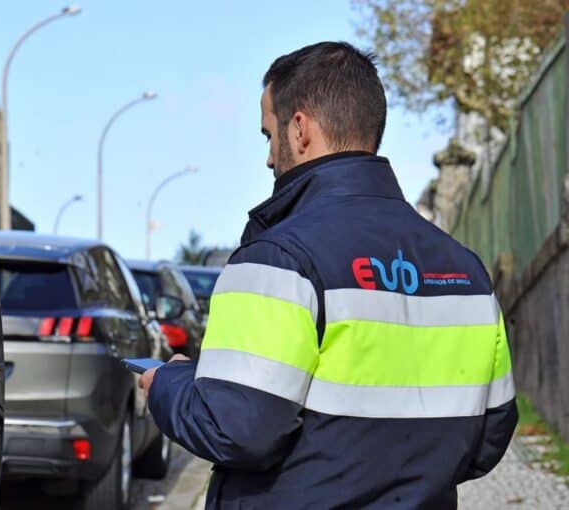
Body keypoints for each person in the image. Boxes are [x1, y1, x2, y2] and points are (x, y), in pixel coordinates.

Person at [140, 42, 517, 509]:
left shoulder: (277, 258)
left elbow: (234, 428)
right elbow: (489, 436)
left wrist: (169, 384)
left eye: (268, 135)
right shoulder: (468, 273)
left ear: (299, 130)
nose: (268, 159)